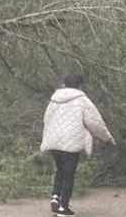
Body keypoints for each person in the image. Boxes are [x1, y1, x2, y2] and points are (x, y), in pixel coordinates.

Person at [40, 73, 115, 216]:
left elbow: (46, 119)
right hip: (71, 142)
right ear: (80, 85)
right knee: (69, 174)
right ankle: (63, 207)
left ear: (64, 84)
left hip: (54, 141)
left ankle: (55, 196)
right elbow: (95, 122)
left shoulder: (54, 100)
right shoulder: (83, 100)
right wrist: (107, 138)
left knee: (60, 170)